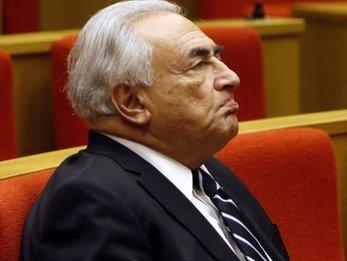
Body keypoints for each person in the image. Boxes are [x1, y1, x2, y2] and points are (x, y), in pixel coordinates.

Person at [21, 1, 289, 260]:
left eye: (217, 57)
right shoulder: (88, 202)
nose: (231, 76)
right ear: (132, 103)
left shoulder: (209, 172)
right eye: (199, 65)